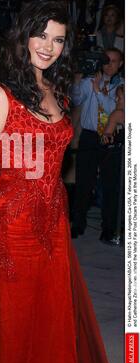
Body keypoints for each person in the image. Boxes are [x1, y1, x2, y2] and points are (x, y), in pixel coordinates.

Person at [0, 0, 110, 363]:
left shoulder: (58, 91)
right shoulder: (1, 94)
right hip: (12, 225)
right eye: (42, 35)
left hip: (54, 221)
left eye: (59, 40)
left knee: (52, 316)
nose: (49, 46)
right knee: (15, 323)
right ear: (24, 36)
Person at [70, 48, 124, 240]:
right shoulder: (89, 80)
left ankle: (109, 228)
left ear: (121, 64)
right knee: (84, 182)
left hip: (111, 138)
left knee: (111, 184)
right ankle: (78, 223)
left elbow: (114, 109)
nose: (109, 64)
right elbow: (76, 99)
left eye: (114, 61)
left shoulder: (123, 85)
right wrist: (77, 81)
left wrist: (98, 92)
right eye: (106, 60)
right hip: (90, 135)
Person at [100, 84, 125, 245]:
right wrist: (108, 136)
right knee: (112, 195)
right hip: (116, 159)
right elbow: (107, 133)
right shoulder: (117, 114)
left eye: (120, 97)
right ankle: (109, 229)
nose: (117, 100)